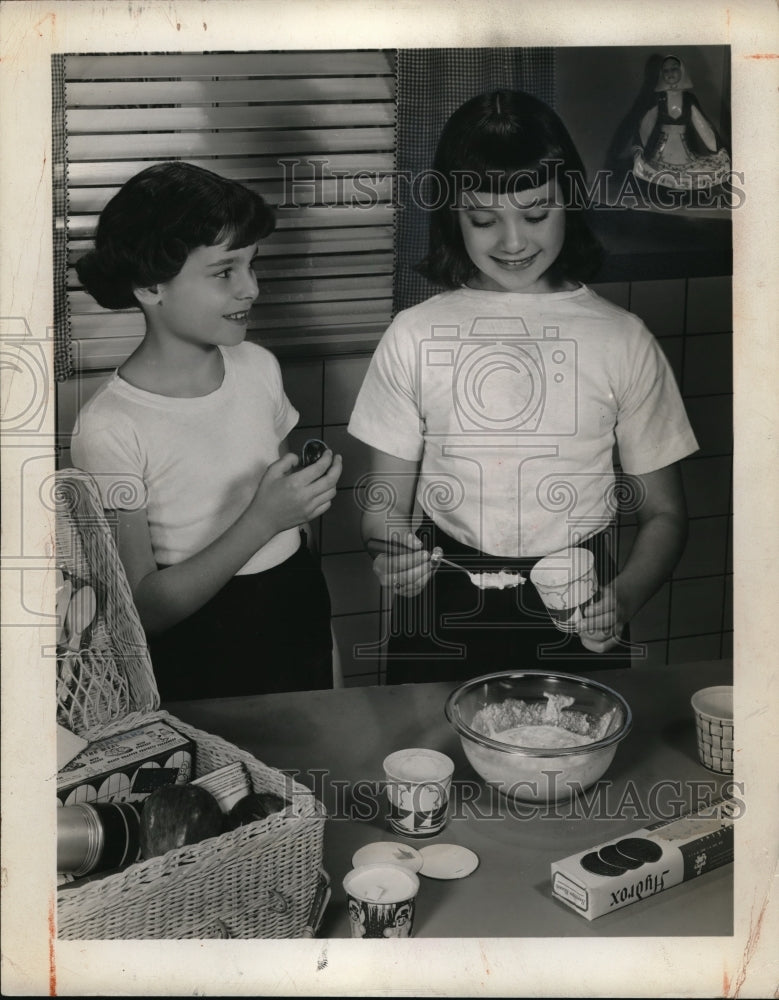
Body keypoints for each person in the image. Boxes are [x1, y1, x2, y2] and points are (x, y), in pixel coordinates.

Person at [347, 89, 698, 684]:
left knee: (574, 765)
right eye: (483, 219)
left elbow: (665, 513)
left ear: (571, 204)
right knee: (434, 769)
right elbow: (385, 507)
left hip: (578, 599)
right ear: (453, 218)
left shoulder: (622, 339)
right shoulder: (414, 334)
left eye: (536, 214)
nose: (512, 242)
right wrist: (392, 551)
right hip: (442, 603)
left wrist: (626, 596)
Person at [70, 161, 343, 699]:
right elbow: (143, 611)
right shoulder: (110, 426)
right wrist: (264, 518)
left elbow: (291, 526)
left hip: (296, 606)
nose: (252, 289)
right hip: (207, 649)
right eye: (225, 272)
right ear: (151, 286)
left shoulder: (258, 367)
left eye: (251, 265)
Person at [632, 55, 731, 191]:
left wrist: (719, 150)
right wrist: (639, 151)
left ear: (682, 71)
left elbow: (703, 128)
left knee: (696, 176)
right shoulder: (658, 99)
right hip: (660, 157)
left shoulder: (689, 99)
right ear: (661, 74)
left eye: (674, 69)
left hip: (686, 157)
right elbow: (645, 127)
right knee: (656, 179)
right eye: (666, 71)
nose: (670, 73)